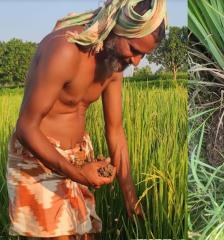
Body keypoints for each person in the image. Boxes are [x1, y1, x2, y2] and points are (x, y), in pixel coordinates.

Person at [6, 0, 166, 239]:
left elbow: (115, 130)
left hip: (78, 159)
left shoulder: (113, 64)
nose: (136, 62)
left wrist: (130, 197)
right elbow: (26, 128)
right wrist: (80, 174)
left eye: (143, 55)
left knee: (86, 235)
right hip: (38, 159)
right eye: (134, 50)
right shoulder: (64, 51)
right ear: (115, 29)